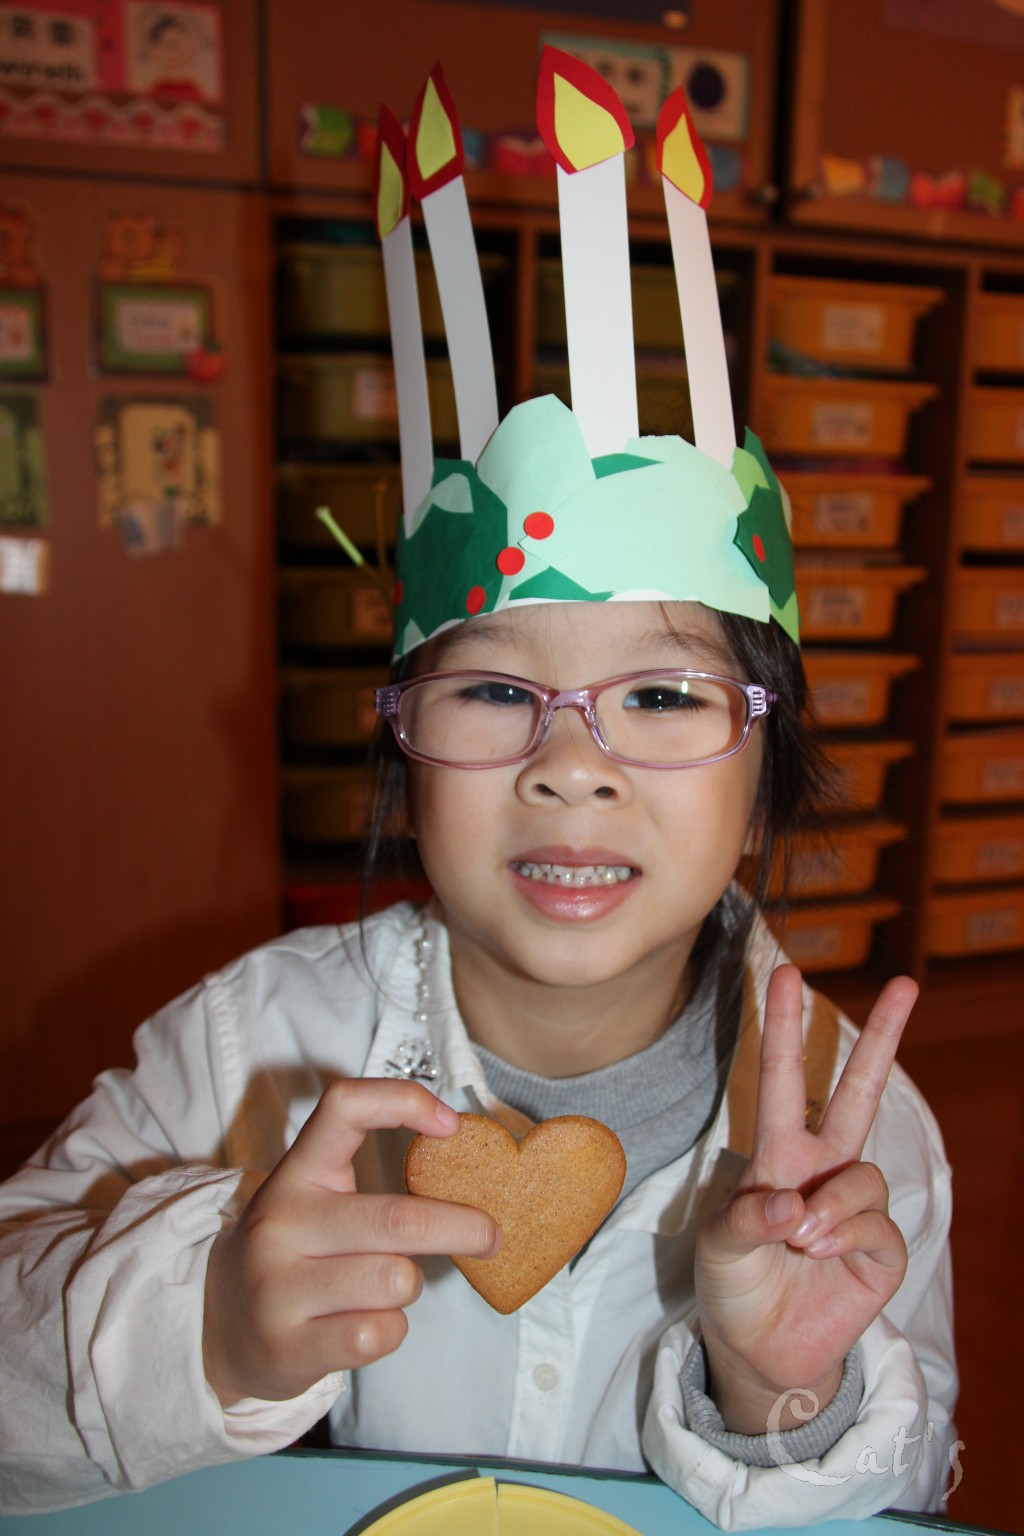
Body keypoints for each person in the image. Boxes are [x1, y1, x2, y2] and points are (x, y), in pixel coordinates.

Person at [0, 52, 956, 1530]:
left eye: (662, 697)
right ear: (401, 743)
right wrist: (209, 1331)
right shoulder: (252, 1051)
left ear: (769, 768)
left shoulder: (855, 1130)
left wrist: (785, 1397)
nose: (571, 764)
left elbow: (915, 1479)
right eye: (498, 693)